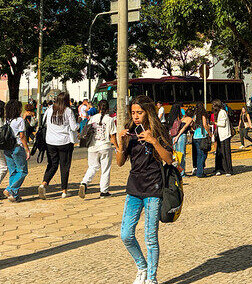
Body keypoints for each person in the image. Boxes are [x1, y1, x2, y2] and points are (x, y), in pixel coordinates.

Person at [114, 96, 174, 284]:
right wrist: (121, 144)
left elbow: (170, 159)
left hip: (153, 187)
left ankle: (152, 279)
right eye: (133, 113)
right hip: (134, 187)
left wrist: (153, 141)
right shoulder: (130, 132)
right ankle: (142, 267)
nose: (136, 116)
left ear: (148, 112)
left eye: (139, 112)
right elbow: (120, 162)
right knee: (126, 235)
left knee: (150, 237)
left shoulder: (158, 130)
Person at [39, 92, 78, 199]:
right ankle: (64, 191)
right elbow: (74, 127)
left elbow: (44, 122)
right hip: (64, 142)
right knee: (64, 166)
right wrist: (79, 123)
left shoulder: (49, 109)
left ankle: (44, 183)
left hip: (50, 141)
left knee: (52, 164)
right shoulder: (68, 111)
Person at [79, 100, 116, 199]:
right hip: (105, 146)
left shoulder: (92, 118)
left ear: (98, 108)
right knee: (105, 169)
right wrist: (117, 147)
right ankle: (104, 191)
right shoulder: (110, 119)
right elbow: (112, 135)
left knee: (92, 167)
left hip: (92, 146)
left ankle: (84, 183)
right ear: (108, 109)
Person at [3, 100, 30, 202]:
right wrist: (27, 149)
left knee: (13, 171)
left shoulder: (7, 120)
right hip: (17, 147)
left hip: (7, 148)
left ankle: (14, 194)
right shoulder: (19, 120)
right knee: (22, 171)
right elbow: (22, 136)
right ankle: (10, 189)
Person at [212, 99, 233, 176]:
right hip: (221, 135)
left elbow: (222, 123)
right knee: (221, 153)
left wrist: (215, 123)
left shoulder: (222, 112)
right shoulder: (219, 113)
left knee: (226, 153)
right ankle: (222, 168)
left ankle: (228, 170)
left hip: (225, 135)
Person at [191, 103, 210, 177]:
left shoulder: (195, 116)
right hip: (202, 136)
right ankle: (200, 172)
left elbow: (192, 124)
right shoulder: (203, 115)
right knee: (203, 155)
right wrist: (209, 133)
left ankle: (199, 171)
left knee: (199, 155)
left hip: (195, 136)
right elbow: (205, 125)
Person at [167, 103, 187, 173]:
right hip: (180, 135)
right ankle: (182, 172)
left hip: (173, 136)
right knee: (181, 154)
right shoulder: (179, 118)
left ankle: (175, 171)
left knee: (175, 155)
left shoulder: (170, 118)